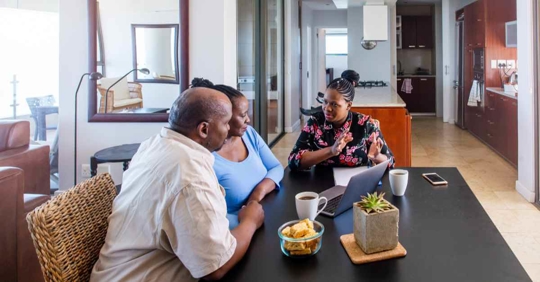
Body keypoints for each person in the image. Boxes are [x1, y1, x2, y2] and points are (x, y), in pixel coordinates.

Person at [91, 87, 265, 281]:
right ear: (204, 129)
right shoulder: (189, 178)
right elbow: (217, 267)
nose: (228, 130)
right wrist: (250, 220)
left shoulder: (154, 145)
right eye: (225, 123)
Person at [190, 78, 283, 228]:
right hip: (239, 231)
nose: (248, 119)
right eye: (242, 115)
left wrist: (257, 194)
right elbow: (211, 221)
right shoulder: (204, 157)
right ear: (224, 116)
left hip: (261, 216)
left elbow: (276, 167)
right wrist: (248, 220)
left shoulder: (248, 134)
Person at [288, 74, 394, 171]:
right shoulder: (315, 122)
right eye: (325, 102)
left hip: (357, 182)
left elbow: (391, 162)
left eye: (334, 104)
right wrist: (331, 151)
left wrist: (377, 157)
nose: (327, 108)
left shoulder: (365, 124)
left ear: (348, 105)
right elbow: (293, 161)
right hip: (322, 183)